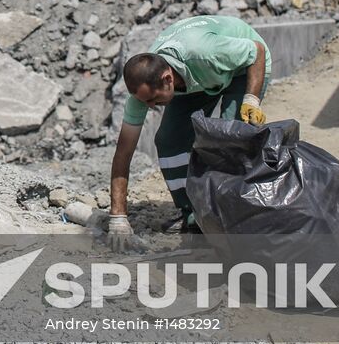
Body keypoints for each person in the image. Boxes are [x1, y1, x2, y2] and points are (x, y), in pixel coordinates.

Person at [107, 15, 272, 245]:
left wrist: (251, 99)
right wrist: (118, 217)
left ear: (167, 79)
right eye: (146, 102)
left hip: (242, 68)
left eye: (154, 99)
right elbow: (123, 153)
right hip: (196, 79)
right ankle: (193, 216)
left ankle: (235, 218)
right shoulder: (143, 94)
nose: (151, 107)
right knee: (169, 140)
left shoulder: (206, 53)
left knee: (229, 140)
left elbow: (256, 51)